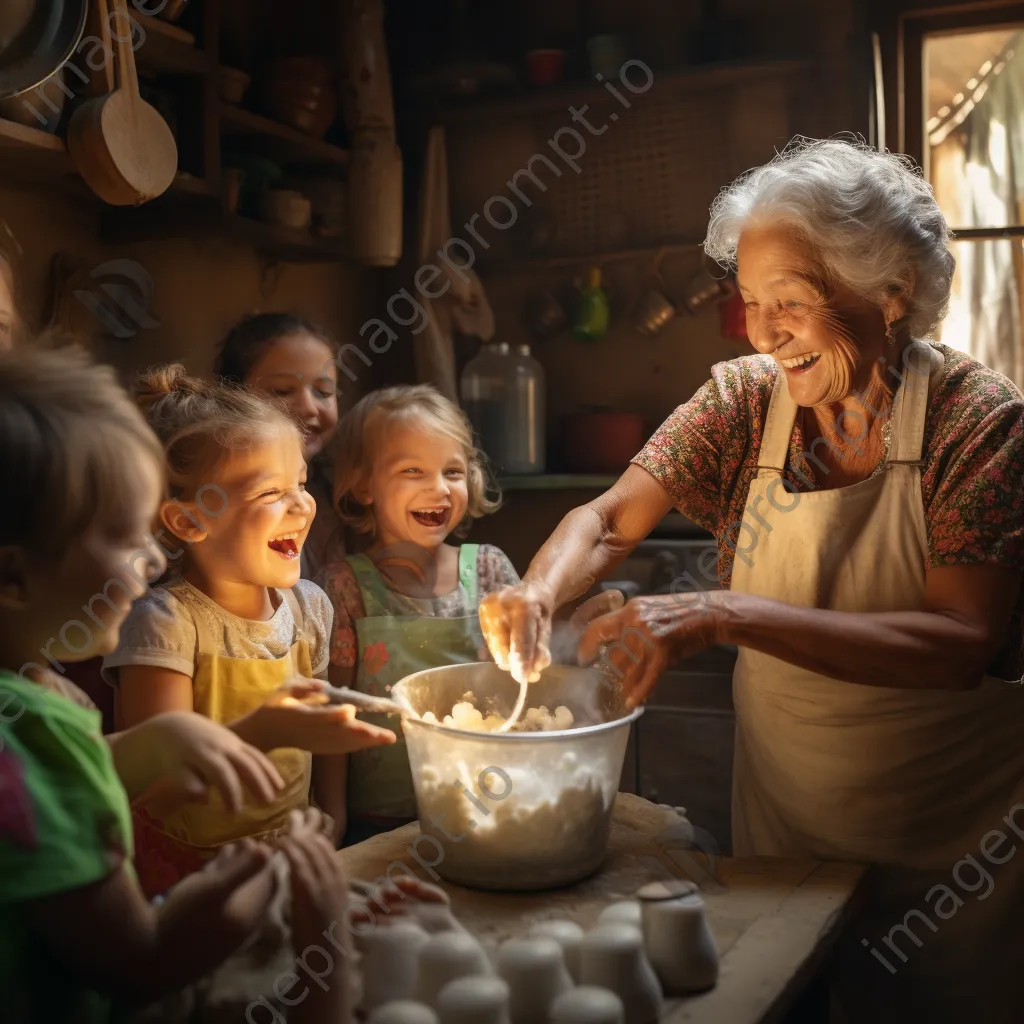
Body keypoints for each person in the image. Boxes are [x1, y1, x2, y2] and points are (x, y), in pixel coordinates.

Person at [479, 138, 1024, 1023]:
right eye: (750, 303)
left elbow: (960, 644)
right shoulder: (742, 401)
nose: (763, 331)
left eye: (793, 304)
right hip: (790, 836)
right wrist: (542, 592)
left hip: (956, 848)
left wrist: (721, 610)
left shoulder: (979, 423)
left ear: (890, 295)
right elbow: (611, 518)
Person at [0, 345, 352, 1024]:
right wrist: (310, 924)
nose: (148, 559)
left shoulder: (44, 701)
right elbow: (140, 963)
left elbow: (76, 784)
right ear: (12, 576)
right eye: (122, 536)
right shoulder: (33, 736)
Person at [102, 365, 394, 897]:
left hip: (289, 853)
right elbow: (154, 791)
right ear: (188, 522)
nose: (303, 505)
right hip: (190, 877)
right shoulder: (166, 624)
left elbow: (324, 730)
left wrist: (331, 813)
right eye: (270, 493)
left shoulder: (310, 609)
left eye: (302, 483)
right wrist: (265, 732)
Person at [316, 385, 520, 846]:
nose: (439, 489)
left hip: (480, 810)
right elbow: (334, 708)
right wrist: (333, 815)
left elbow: (521, 683)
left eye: (453, 471)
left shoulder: (489, 571)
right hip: (376, 818)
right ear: (364, 485)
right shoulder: (345, 587)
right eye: (412, 471)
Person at [214, 312, 344, 580]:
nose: (309, 407)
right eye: (282, 391)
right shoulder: (217, 504)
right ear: (233, 397)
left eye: (323, 392)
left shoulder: (343, 502)